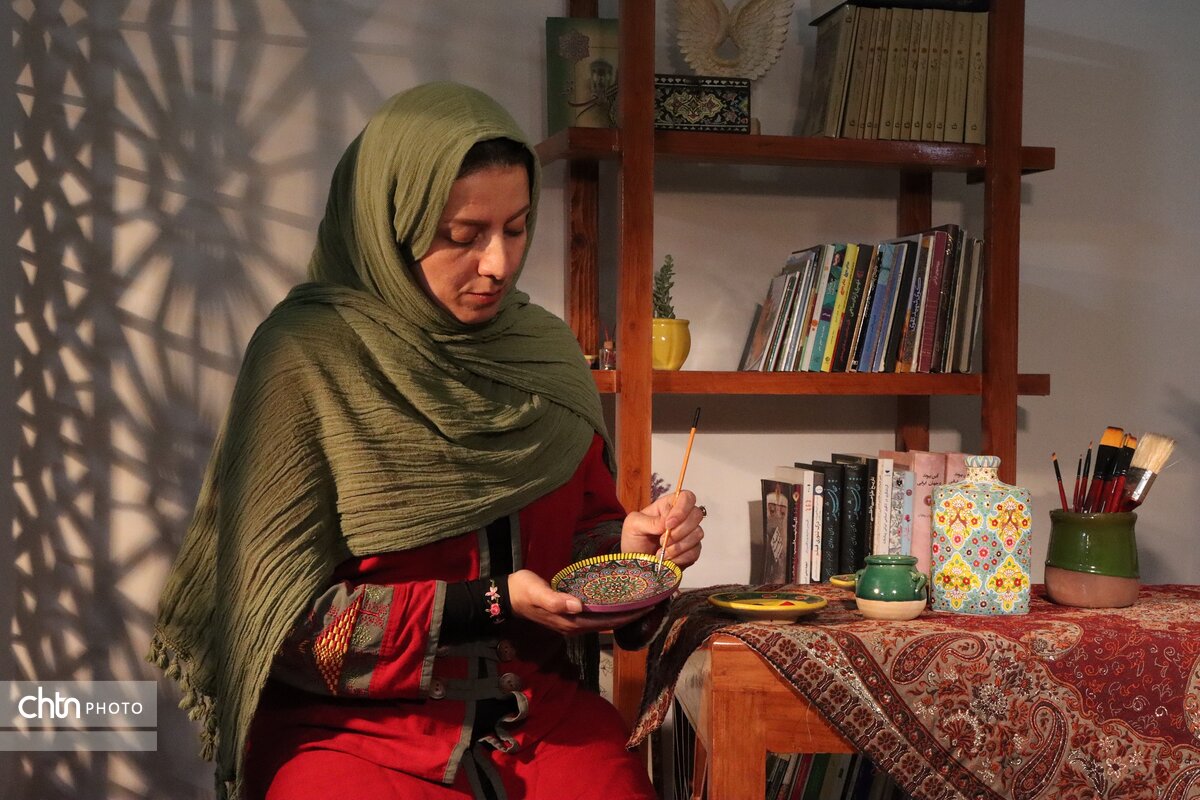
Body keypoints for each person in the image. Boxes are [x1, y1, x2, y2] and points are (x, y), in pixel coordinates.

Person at [147, 82, 705, 800]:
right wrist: (489, 603)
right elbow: (283, 627)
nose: (498, 264)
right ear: (392, 225)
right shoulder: (304, 360)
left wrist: (630, 550)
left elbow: (577, 538)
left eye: (516, 228)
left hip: (537, 720)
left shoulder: (542, 353)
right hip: (349, 734)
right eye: (464, 236)